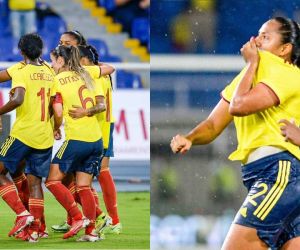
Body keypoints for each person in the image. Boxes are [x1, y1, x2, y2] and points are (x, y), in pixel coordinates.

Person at [170, 17, 300, 249]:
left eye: (266, 37)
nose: (256, 40)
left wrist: (251, 64)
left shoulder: (281, 70)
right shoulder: (250, 75)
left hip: (279, 173)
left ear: (284, 49)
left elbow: (238, 106)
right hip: (269, 175)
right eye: (258, 34)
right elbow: (213, 125)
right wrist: (190, 138)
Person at [45, 45, 106, 241]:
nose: (52, 65)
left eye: (53, 61)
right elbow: (101, 105)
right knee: (83, 187)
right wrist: (87, 112)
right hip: (96, 140)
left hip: (77, 140)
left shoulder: (58, 80)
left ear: (61, 61)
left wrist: (55, 127)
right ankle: (91, 233)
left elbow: (59, 112)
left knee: (52, 180)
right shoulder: (88, 74)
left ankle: (78, 217)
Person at [0, 33, 55, 242]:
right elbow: (54, 107)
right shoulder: (50, 71)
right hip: (44, 135)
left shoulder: (22, 70)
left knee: (0, 172)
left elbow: (18, 99)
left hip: (23, 134)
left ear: (21, 51)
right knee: (35, 184)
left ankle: (22, 214)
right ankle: (37, 230)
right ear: (40, 50)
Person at [78, 45, 122, 234]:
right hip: (105, 125)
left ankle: (103, 218)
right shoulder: (103, 73)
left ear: (84, 60)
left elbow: (98, 105)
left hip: (98, 127)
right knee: (99, 173)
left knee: (86, 174)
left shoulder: (93, 75)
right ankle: (110, 219)